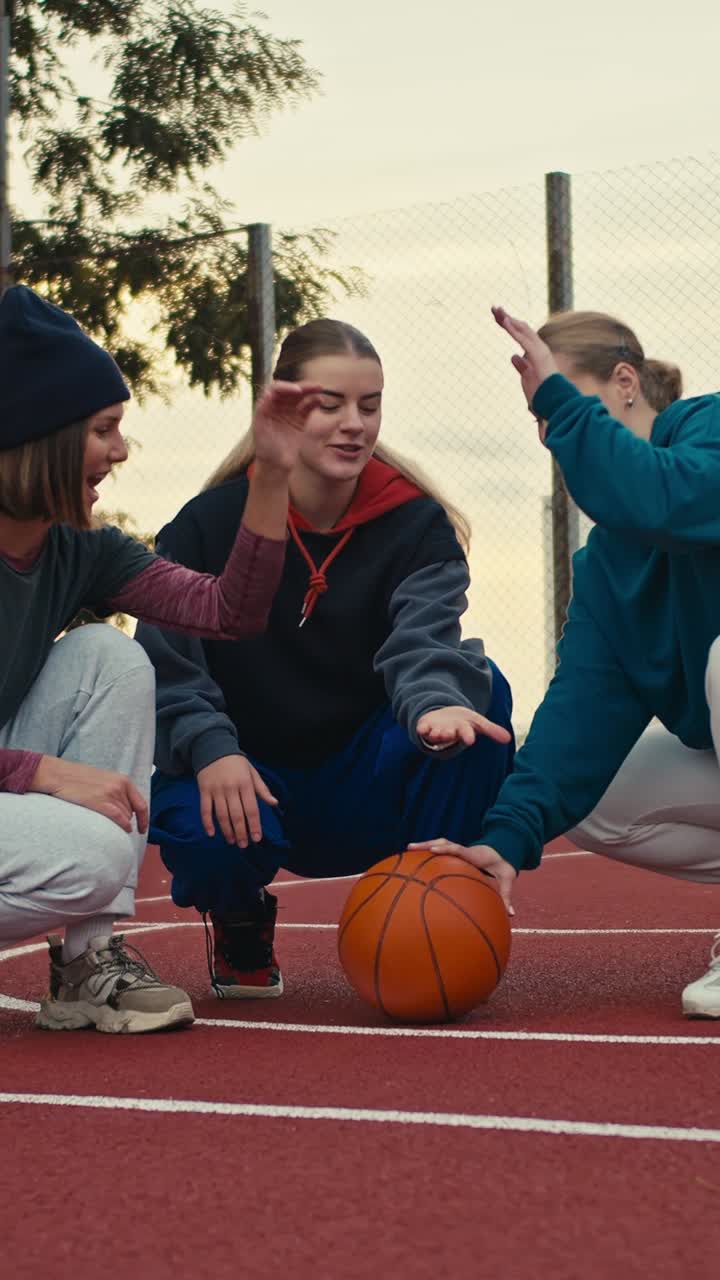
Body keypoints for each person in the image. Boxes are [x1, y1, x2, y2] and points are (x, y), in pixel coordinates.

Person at [136, 318, 515, 999]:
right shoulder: (207, 524)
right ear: (282, 406)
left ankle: (431, 902)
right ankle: (240, 910)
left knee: (480, 709)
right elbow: (168, 661)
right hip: (245, 777)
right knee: (206, 835)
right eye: (330, 405)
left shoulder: (417, 525)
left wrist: (434, 704)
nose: (355, 425)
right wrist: (212, 747)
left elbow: (423, 640)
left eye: (369, 406)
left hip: (358, 779)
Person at [0, 284, 321, 1033]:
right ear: (39, 435)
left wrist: (270, 475)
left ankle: (87, 964)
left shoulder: (79, 549)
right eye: (104, 430)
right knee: (94, 857)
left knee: (111, 657)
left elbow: (227, 612)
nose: (120, 451)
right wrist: (39, 773)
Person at [423, 305, 720, 1019]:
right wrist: (503, 838)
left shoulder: (712, 429)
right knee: (594, 799)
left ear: (627, 382)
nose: (556, 436)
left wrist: (556, 401)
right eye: (544, 421)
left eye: (565, 406)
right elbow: (579, 719)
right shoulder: (606, 568)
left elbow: (663, 498)